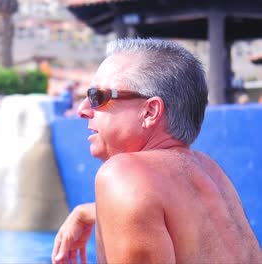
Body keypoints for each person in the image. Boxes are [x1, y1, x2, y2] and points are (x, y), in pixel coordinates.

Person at [52, 38, 262, 263]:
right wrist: (92, 211)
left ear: (150, 112)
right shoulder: (211, 173)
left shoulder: (124, 174)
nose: (82, 109)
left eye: (97, 97)